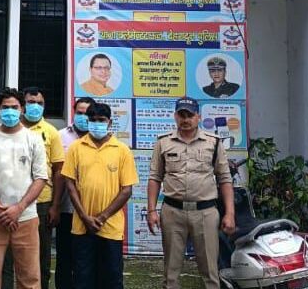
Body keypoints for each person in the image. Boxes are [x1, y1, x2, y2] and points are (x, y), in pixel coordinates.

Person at [147, 97, 236, 289]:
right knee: (170, 273)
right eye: (182, 115)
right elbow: (155, 177)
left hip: (205, 213)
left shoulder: (213, 142)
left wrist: (229, 213)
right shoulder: (163, 142)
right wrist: (151, 210)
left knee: (210, 271)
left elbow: (224, 179)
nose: (186, 120)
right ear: (175, 116)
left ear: (198, 117)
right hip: (173, 212)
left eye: (190, 115)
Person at [0, 87, 48, 289]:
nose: (10, 111)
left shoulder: (33, 139)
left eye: (14, 107)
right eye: (5, 107)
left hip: (26, 217)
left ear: (22, 109)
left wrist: (19, 208)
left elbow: (40, 178)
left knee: (30, 278)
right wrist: (0, 210)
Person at [62, 102, 138, 289]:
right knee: (82, 278)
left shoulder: (121, 150)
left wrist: (102, 217)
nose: (97, 124)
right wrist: (84, 217)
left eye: (101, 120)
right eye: (93, 120)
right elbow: (70, 184)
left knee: (111, 279)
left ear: (109, 122)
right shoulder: (76, 147)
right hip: (82, 227)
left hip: (110, 227)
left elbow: (126, 190)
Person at [1, 86, 63, 289]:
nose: (35, 106)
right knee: (7, 257)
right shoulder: (9, 130)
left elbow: (58, 170)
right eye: (31, 102)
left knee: (40, 256)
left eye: (40, 103)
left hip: (41, 202)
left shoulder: (51, 132)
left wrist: (55, 206)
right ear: (22, 105)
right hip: (10, 202)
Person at [55, 97, 95, 289]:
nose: (83, 117)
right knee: (64, 258)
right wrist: (55, 206)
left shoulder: (100, 139)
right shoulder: (60, 136)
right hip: (66, 208)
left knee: (87, 260)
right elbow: (56, 172)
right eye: (79, 113)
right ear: (73, 112)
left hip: (91, 212)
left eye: (87, 114)